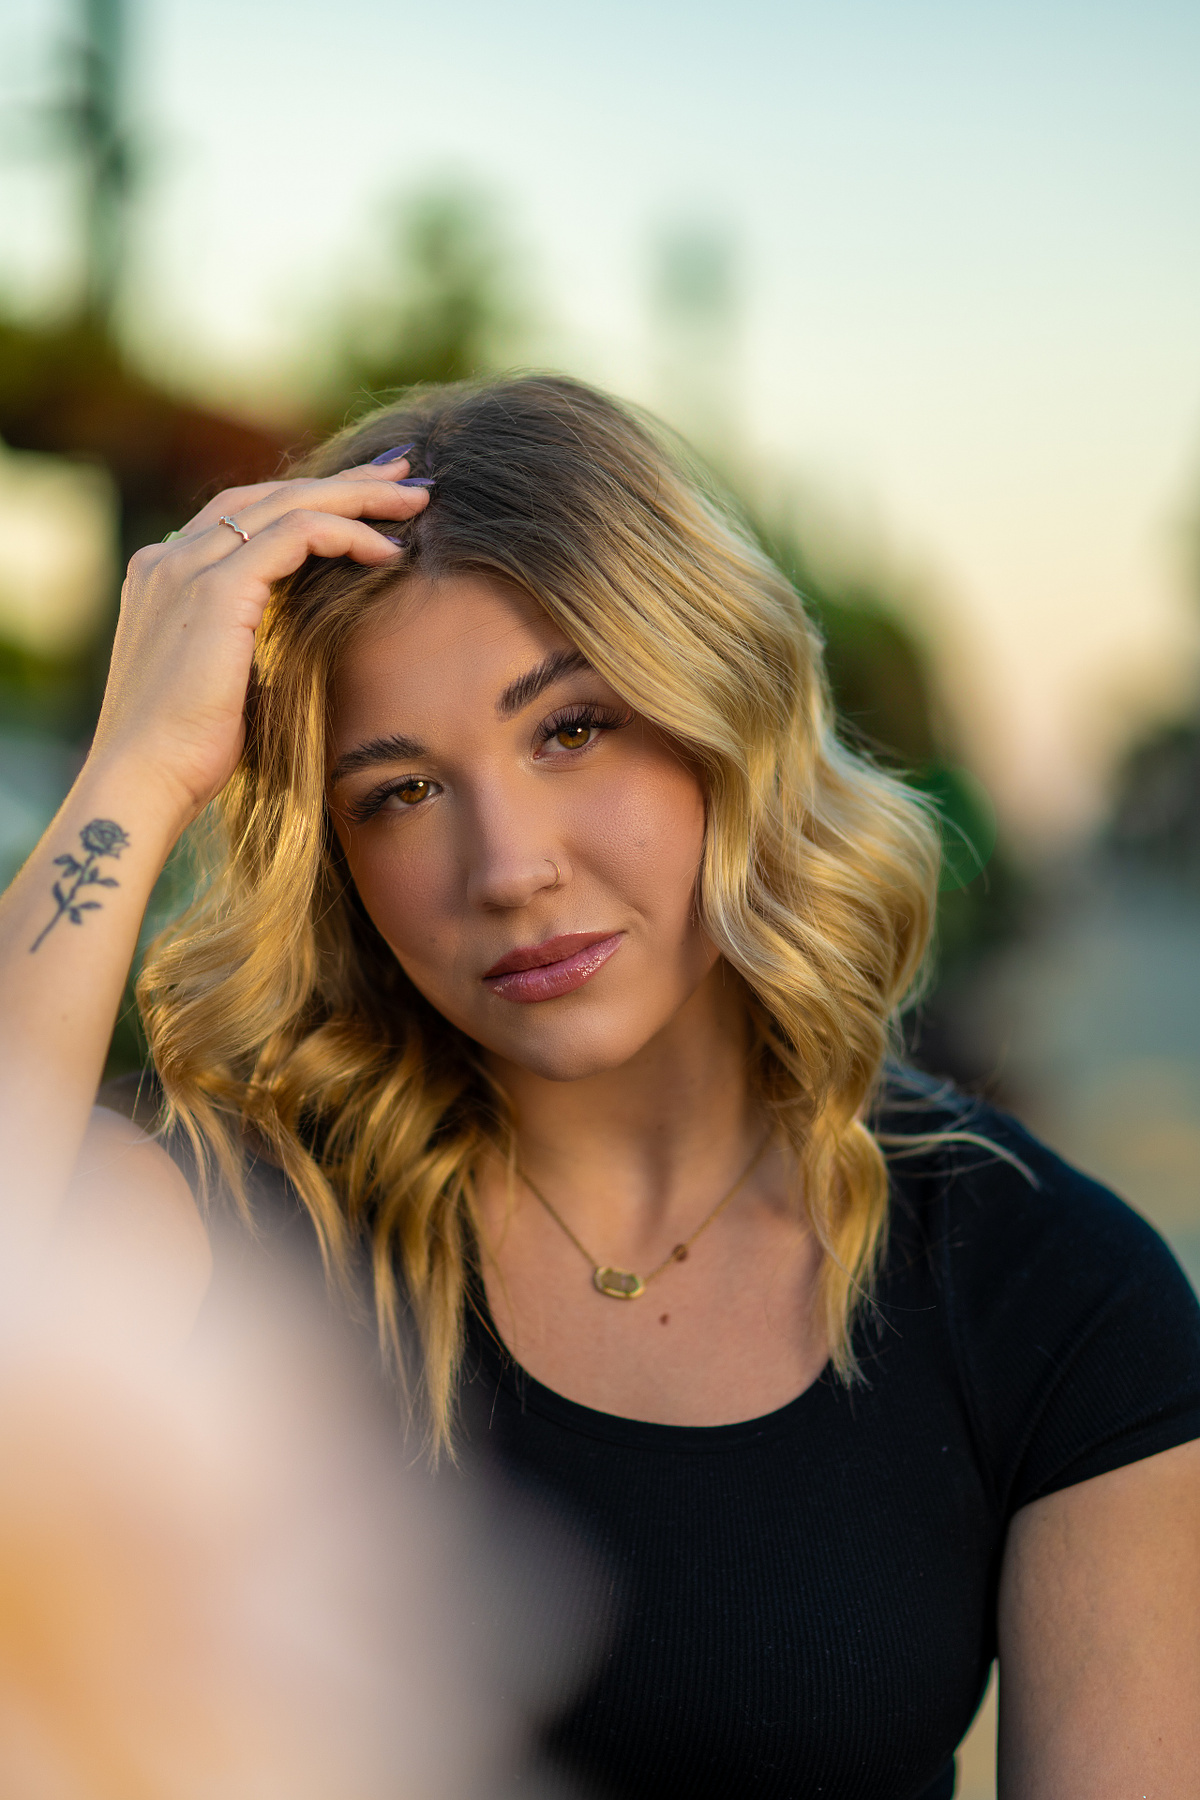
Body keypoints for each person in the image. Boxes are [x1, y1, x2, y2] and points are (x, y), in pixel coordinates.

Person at [1, 374, 1198, 1800]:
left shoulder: (1055, 1299)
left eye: (571, 728)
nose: (508, 866)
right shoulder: (241, 1218)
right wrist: (133, 769)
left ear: (717, 717)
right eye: (400, 791)